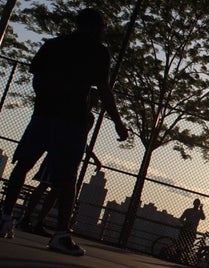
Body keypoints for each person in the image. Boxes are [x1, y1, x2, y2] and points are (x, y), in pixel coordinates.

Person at [0, 8, 128, 256]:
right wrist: (117, 122)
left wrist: (46, 99)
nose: (102, 32)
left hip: (44, 114)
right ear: (92, 27)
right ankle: (60, 234)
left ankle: (6, 217)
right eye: (101, 27)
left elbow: (36, 76)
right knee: (67, 179)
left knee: (23, 165)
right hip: (70, 119)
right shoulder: (97, 51)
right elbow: (103, 89)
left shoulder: (55, 45)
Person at [18, 89, 103, 238]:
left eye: (97, 98)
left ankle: (38, 222)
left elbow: (82, 139)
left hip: (69, 157)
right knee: (44, 184)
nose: (96, 100)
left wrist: (93, 157)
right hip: (57, 153)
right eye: (94, 96)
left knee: (55, 190)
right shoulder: (73, 112)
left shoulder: (89, 118)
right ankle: (25, 218)